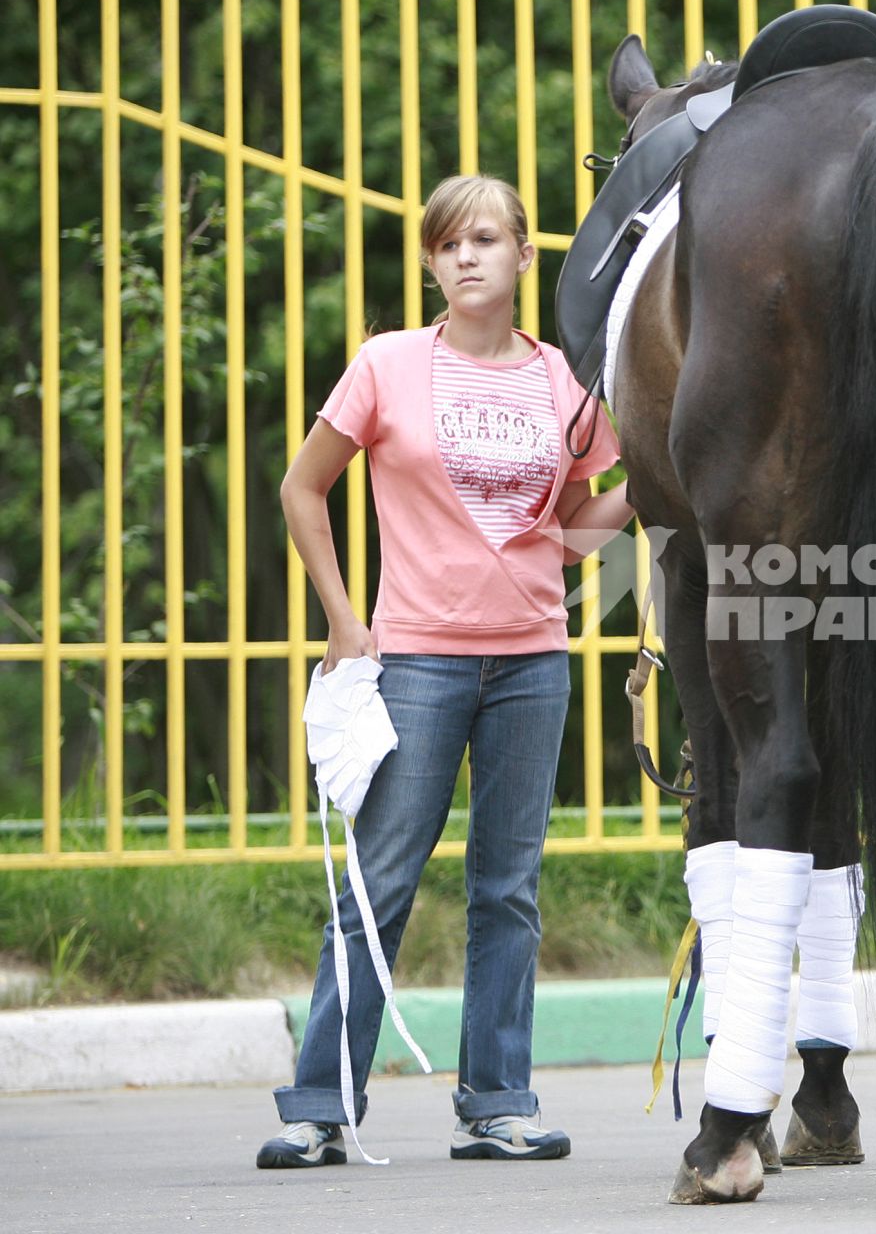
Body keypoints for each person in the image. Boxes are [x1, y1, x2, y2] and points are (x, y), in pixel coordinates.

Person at [260, 174, 632, 1168]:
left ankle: (497, 1100)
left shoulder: (562, 380)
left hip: (531, 665)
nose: (464, 257)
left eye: (483, 239)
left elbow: (579, 518)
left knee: (507, 887)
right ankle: (320, 1106)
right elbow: (303, 488)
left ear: (521, 255)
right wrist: (344, 621)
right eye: (445, 244)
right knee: (379, 881)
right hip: (415, 658)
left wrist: (618, 502)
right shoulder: (388, 365)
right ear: (431, 262)